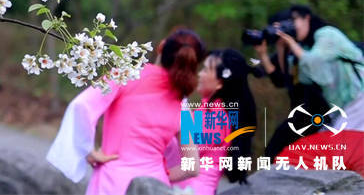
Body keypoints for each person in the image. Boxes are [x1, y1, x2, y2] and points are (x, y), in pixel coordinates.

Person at [46, 29, 204, 195]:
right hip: (154, 188)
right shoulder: (183, 104)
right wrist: (161, 177)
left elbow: (81, 106)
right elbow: (192, 167)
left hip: (112, 183)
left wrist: (88, 149)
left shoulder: (124, 75)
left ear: (161, 46)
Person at [271, 13, 364, 176]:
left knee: (341, 149)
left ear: (306, 18)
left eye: (294, 21)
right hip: (343, 108)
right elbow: (292, 78)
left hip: (359, 99)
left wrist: (291, 43)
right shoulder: (306, 48)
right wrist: (280, 47)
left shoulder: (327, 34)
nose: (291, 27)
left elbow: (315, 61)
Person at [168, 49, 259, 195]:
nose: (199, 74)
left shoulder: (216, 115)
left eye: (205, 69)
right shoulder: (214, 110)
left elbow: (188, 148)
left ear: (220, 83)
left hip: (190, 190)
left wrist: (181, 105)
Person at [253, 5, 333, 157]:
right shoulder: (288, 50)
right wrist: (272, 51)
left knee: (276, 149)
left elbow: (306, 70)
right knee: (275, 150)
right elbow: (282, 80)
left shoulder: (313, 45)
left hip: (316, 112)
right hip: (300, 112)